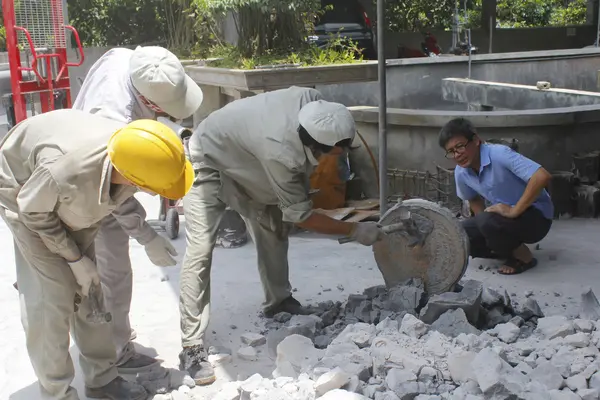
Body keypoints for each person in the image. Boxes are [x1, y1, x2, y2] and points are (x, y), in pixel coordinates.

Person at [178, 86, 384, 384]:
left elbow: (294, 202)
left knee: (272, 227)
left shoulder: (315, 105)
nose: (338, 159)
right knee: (200, 249)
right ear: (317, 147)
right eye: (335, 154)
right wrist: (354, 229)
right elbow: (300, 215)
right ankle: (191, 346)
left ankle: (279, 302)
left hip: (244, 153)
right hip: (206, 158)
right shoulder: (281, 153)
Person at [0, 109, 193, 399]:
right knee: (52, 300)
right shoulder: (65, 169)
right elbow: (33, 211)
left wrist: (147, 236)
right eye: (149, 188)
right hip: (23, 195)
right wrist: (74, 259)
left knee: (91, 291)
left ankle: (102, 380)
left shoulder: (130, 152)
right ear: (131, 177)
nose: (153, 194)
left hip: (64, 196)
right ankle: (57, 393)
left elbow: (120, 197)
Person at [72, 45, 204, 373]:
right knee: (111, 274)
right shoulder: (111, 116)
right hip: (87, 188)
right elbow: (110, 188)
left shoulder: (134, 61)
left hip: (99, 170)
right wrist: (146, 236)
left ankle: (112, 342)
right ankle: (111, 356)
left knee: (111, 274)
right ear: (147, 101)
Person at [439, 117, 553, 275]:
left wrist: (514, 210)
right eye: (451, 151)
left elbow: (542, 176)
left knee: (487, 221)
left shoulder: (499, 154)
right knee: (461, 235)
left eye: (460, 146)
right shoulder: (461, 172)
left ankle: (524, 257)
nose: (457, 155)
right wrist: (485, 228)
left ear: (476, 140)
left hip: (536, 217)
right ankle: (508, 249)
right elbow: (472, 198)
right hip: (504, 220)